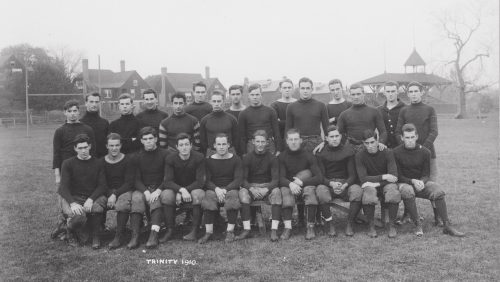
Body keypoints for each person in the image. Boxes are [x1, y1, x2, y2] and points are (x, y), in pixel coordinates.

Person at [394, 124, 464, 237]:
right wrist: (412, 181)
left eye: (412, 137)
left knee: (438, 190)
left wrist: (422, 181)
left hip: (420, 183)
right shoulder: (396, 152)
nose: (410, 140)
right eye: (407, 137)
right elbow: (398, 176)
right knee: (407, 191)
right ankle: (417, 224)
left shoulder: (425, 152)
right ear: (402, 138)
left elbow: (426, 174)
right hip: (405, 183)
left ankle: (447, 225)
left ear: (416, 136)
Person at [395, 81, 441, 225]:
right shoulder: (404, 110)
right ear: (407, 94)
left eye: (416, 91)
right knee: (408, 186)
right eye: (411, 92)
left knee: (431, 185)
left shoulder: (430, 109)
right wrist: (407, 147)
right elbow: (398, 132)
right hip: (408, 155)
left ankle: (438, 216)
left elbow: (434, 131)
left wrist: (422, 149)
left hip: (427, 154)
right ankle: (407, 214)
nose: (413, 94)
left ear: (421, 92)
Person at [57, 134, 107, 248]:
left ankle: (68, 228)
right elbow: (63, 187)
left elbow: (102, 186)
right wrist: (72, 203)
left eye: (85, 147)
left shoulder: (98, 163)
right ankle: (69, 231)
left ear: (90, 146)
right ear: (75, 149)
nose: (83, 151)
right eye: (80, 148)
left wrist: (91, 199)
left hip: (90, 197)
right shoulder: (68, 163)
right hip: (74, 197)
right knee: (79, 217)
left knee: (85, 239)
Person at [315, 125, 362, 237]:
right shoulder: (321, 153)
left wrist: (344, 185)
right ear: (326, 138)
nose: (334, 139)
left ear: (341, 137)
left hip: (345, 183)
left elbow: (353, 175)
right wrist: (331, 184)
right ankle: (330, 223)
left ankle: (350, 223)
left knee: (357, 191)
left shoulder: (348, 151)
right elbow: (320, 176)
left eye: (337, 136)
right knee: (321, 191)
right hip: (328, 183)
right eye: (331, 136)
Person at [130, 127, 171, 249]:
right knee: (136, 199)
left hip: (160, 187)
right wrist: (145, 191)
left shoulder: (165, 154)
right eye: (145, 139)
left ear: (156, 139)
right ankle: (135, 236)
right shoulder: (137, 157)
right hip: (143, 188)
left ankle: (154, 234)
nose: (148, 141)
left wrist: (158, 190)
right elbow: (136, 179)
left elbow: (168, 176)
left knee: (155, 201)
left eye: (151, 138)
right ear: (141, 141)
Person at [355, 129, 400, 238]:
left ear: (377, 141)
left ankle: (392, 225)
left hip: (382, 184)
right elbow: (363, 178)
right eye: (367, 143)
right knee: (369, 194)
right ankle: (371, 226)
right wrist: (384, 176)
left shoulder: (388, 152)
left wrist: (377, 184)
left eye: (372, 142)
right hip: (372, 184)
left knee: (393, 191)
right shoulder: (360, 155)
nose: (370, 145)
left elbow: (393, 177)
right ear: (363, 143)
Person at [199, 134, 243, 244]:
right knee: (208, 195)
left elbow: (238, 179)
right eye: (219, 144)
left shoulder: (236, 159)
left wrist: (226, 189)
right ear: (214, 145)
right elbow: (207, 180)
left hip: (230, 188)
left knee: (233, 195)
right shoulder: (208, 161)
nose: (221, 147)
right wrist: (216, 189)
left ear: (228, 145)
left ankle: (230, 231)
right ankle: (208, 232)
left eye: (224, 144)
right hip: (215, 189)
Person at [278, 128, 322, 240]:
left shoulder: (308, 155)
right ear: (287, 141)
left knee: (310, 192)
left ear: (301, 140)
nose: (293, 142)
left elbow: (318, 177)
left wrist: (302, 182)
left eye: (296, 139)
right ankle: (288, 228)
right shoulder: (282, 156)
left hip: (304, 184)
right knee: (285, 193)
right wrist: (291, 184)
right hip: (290, 186)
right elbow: (280, 177)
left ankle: (310, 227)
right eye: (291, 139)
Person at [163, 133, 206, 241]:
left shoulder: (199, 157)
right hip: (176, 188)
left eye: (187, 144)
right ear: (177, 147)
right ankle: (170, 230)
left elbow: (200, 181)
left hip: (194, 188)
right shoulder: (170, 158)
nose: (184, 147)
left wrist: (185, 190)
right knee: (167, 196)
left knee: (197, 195)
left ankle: (195, 230)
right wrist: (180, 190)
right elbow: (168, 181)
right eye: (181, 145)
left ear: (191, 145)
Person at [239, 130, 280, 241]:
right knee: (243, 193)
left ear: (267, 142)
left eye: (263, 141)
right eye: (258, 141)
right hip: (252, 186)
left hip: (267, 185)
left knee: (276, 192)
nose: (260, 144)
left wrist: (266, 189)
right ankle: (247, 229)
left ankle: (274, 230)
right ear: (253, 142)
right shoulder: (247, 158)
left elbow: (276, 179)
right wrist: (251, 188)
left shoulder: (272, 158)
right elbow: (243, 179)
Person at [101, 133, 136, 249]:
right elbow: (101, 183)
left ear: (121, 145)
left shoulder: (128, 160)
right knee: (96, 202)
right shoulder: (101, 162)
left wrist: (115, 194)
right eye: (111, 145)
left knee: (122, 204)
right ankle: (96, 233)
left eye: (117, 145)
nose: (114, 148)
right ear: (106, 146)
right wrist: (110, 194)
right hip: (107, 191)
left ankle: (118, 236)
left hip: (124, 190)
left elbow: (129, 183)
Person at [53, 100, 96, 187]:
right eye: (69, 111)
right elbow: (56, 154)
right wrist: (57, 175)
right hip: (67, 168)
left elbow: (93, 151)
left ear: (79, 112)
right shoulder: (60, 131)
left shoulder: (88, 129)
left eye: (75, 111)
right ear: (65, 112)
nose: (72, 113)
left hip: (84, 167)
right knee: (65, 195)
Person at [336, 83, 388, 153]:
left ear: (363, 94)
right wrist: (344, 147)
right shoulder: (344, 114)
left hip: (369, 148)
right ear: (350, 95)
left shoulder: (374, 111)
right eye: (353, 94)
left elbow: (383, 131)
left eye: (358, 94)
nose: (356, 97)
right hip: (350, 150)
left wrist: (381, 142)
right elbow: (338, 133)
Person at [285, 77, 329, 153]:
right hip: (298, 142)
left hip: (316, 142)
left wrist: (325, 143)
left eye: (308, 88)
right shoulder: (291, 107)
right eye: (303, 88)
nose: (305, 91)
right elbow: (288, 129)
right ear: (299, 89)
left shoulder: (321, 106)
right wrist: (288, 146)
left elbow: (327, 129)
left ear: (312, 89)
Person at [238, 83, 282, 155]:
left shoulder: (270, 111)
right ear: (248, 96)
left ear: (261, 95)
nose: (255, 97)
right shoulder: (243, 114)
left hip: (268, 144)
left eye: (257, 94)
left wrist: (278, 150)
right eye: (252, 95)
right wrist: (244, 153)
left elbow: (276, 132)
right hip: (252, 145)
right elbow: (242, 136)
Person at [200, 90, 239, 156]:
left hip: (229, 152)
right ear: (210, 102)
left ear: (223, 102)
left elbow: (236, 139)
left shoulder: (232, 119)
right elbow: (203, 141)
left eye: (219, 101)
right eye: (214, 101)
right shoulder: (204, 120)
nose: (216, 104)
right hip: (211, 153)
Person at [377, 81, 406, 149]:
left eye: (393, 91)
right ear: (384, 93)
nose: (390, 94)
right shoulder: (378, 110)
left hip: (402, 147)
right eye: (388, 91)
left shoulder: (406, 108)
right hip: (384, 148)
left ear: (397, 92)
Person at [80, 92, 109, 158]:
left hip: (102, 160)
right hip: (85, 161)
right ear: (86, 103)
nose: (94, 104)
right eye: (91, 102)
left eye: (96, 102)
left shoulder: (105, 123)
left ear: (99, 103)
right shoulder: (80, 123)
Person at [270, 78, 297, 147]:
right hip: (280, 139)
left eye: (289, 87)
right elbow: (275, 124)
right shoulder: (274, 105)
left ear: (293, 89)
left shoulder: (298, 103)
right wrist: (293, 121)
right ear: (280, 89)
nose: (287, 90)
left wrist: (281, 122)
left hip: (296, 139)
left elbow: (301, 122)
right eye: (284, 88)